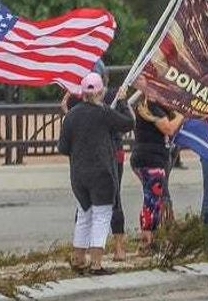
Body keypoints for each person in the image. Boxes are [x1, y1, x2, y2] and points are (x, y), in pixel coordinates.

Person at [57, 73, 133, 275]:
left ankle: (79, 259)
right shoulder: (104, 113)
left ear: (82, 93)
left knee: (84, 215)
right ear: (101, 92)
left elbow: (63, 148)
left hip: (78, 176)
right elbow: (128, 123)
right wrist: (123, 101)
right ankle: (96, 264)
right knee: (101, 216)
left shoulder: (71, 115)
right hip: (102, 175)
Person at [130, 97, 183, 252]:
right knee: (152, 201)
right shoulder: (151, 106)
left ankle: (151, 236)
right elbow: (168, 128)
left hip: (149, 157)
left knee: (152, 199)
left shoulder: (151, 106)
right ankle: (147, 241)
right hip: (150, 159)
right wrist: (182, 115)